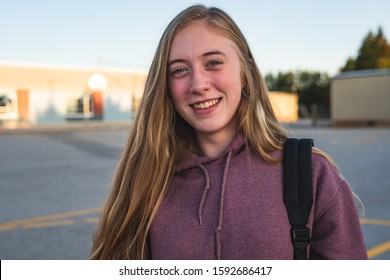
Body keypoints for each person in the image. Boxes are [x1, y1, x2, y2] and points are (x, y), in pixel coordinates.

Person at [90, 4, 368, 260]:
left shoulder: (309, 172)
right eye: (179, 70)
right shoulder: (148, 179)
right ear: (165, 86)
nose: (198, 84)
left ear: (244, 73)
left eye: (213, 63)